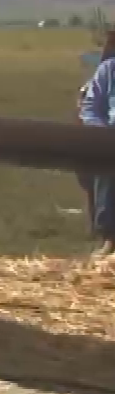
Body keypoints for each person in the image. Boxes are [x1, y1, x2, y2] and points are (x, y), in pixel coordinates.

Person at [78, 56, 115, 257]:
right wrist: (104, 135)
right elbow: (90, 109)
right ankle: (110, 238)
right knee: (106, 162)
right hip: (111, 137)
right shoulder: (108, 71)